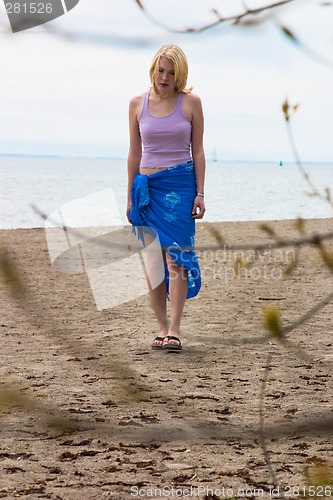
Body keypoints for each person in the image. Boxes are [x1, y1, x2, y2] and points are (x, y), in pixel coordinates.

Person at [126, 43, 206, 351]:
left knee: (177, 259)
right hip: (147, 189)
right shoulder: (136, 103)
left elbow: (198, 150)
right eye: (161, 70)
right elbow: (134, 153)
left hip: (180, 187)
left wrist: (200, 192)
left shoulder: (191, 103)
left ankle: (175, 329)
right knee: (153, 261)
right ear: (153, 69)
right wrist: (130, 195)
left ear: (180, 74)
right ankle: (160, 328)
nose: (164, 77)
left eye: (172, 72)